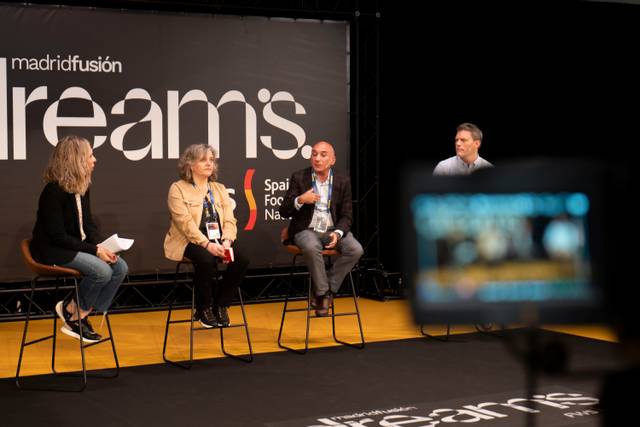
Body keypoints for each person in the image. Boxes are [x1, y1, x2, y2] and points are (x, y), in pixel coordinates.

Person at [30, 135, 128, 343]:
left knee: (120, 267)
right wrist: (94, 251)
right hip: (53, 249)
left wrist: (102, 246)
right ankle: (75, 318)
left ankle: (77, 311)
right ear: (75, 160)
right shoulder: (53, 191)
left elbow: (89, 226)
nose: (95, 160)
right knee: (101, 271)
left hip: (74, 246)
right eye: (90, 155)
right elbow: (57, 236)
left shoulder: (82, 187)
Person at [164, 144, 249, 328]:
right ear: (190, 164)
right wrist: (207, 244)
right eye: (203, 160)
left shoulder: (218, 188)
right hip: (189, 240)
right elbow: (185, 223)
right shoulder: (178, 189)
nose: (209, 163)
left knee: (242, 257)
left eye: (211, 160)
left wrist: (227, 241)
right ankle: (204, 308)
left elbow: (230, 219)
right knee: (205, 258)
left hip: (218, 238)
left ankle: (221, 305)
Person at [279, 140, 364, 316]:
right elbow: (283, 211)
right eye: (314, 154)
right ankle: (322, 293)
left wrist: (338, 233)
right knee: (311, 246)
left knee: (356, 249)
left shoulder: (342, 180)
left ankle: (325, 291)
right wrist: (300, 200)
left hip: (332, 229)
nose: (317, 158)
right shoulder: (299, 177)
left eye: (323, 155)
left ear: (332, 160)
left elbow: (347, 215)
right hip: (306, 230)